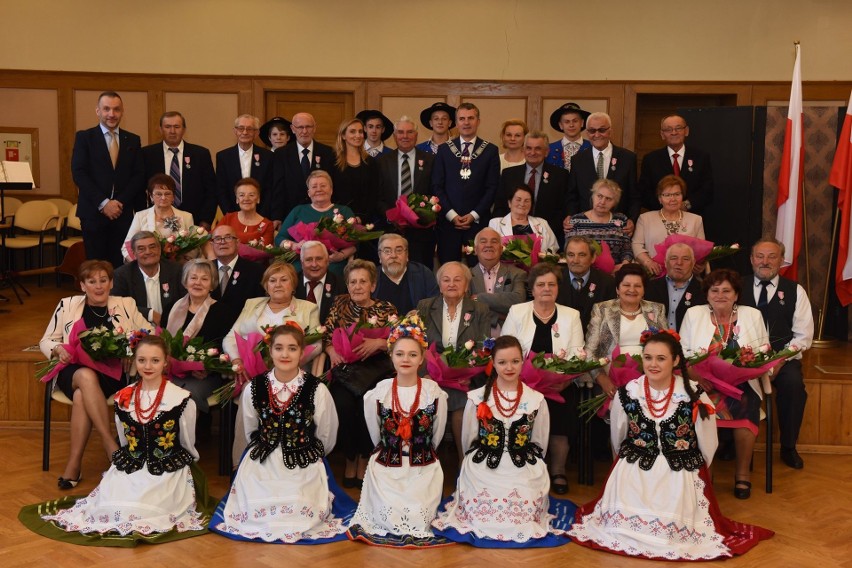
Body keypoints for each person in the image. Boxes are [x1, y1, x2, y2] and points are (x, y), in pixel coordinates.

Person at [569, 330, 773, 560]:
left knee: (673, 531)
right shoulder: (628, 393)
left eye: (661, 358)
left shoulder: (693, 394)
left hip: (679, 472)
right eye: (648, 358)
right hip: (635, 471)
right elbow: (618, 435)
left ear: (676, 360)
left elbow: (707, 441)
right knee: (620, 527)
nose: (653, 364)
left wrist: (696, 473)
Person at [22, 335, 213, 545]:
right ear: (134, 361)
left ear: (166, 362)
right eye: (142, 360)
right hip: (130, 468)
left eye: (155, 360)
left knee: (148, 511)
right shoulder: (123, 397)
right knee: (111, 508)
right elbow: (124, 440)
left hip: (167, 470)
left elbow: (187, 443)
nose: (148, 366)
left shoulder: (182, 399)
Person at [211, 324, 352, 543]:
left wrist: (312, 455)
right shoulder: (254, 387)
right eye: (279, 348)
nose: (285, 354)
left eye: (292, 348)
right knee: (256, 506)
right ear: (270, 351)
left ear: (302, 352)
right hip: (263, 460)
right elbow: (249, 429)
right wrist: (262, 451)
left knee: (299, 506)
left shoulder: (317, 389)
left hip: (302, 459)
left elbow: (327, 433)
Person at [432, 336, 572, 546]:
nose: (509, 367)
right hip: (483, 467)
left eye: (515, 361)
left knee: (522, 514)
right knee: (481, 514)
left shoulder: (536, 399)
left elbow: (540, 442)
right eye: (502, 362)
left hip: (523, 466)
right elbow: (469, 439)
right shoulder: (476, 398)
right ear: (493, 363)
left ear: (523, 362)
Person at [39, 260, 153, 489]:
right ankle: (110, 444)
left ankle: (74, 465)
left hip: (111, 374)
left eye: (103, 280)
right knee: (84, 376)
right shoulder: (67, 304)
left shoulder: (125, 304)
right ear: (83, 285)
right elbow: (46, 339)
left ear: (111, 283)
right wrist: (58, 348)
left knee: (83, 395)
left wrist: (131, 349)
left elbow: (147, 333)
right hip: (71, 371)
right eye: (92, 281)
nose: (98, 286)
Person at [347, 315, 449, 546]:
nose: (406, 359)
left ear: (422, 358)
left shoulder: (433, 393)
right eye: (400, 354)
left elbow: (438, 432)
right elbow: (376, 433)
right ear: (391, 356)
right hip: (386, 467)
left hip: (423, 468)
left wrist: (421, 451)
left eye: (413, 354)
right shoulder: (378, 393)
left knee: (419, 516)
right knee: (388, 516)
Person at [680, 269, 769, 499]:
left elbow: (762, 352)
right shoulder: (693, 314)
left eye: (726, 290)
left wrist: (744, 369)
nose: (720, 295)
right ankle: (703, 474)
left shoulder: (752, 315)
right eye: (715, 290)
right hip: (702, 384)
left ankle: (742, 476)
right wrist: (697, 376)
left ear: (736, 294)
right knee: (695, 410)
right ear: (707, 294)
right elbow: (682, 354)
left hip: (741, 384)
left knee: (747, 408)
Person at [502, 263, 585, 494]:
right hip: (523, 383)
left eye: (551, 284)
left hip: (560, 383)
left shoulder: (571, 315)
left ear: (558, 288)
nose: (546, 288)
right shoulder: (518, 312)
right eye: (541, 284)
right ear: (532, 289)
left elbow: (577, 352)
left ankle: (557, 470)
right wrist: (519, 379)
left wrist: (565, 380)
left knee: (563, 412)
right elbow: (507, 348)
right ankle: (523, 467)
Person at [739, 238, 813, 469]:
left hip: (783, 358)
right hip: (742, 358)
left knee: (793, 386)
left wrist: (779, 361)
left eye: (772, 256)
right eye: (760, 256)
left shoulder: (795, 291)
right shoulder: (736, 287)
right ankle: (732, 443)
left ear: (781, 260)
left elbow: (803, 336)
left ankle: (789, 447)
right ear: (751, 260)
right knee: (731, 385)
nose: (765, 261)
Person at [323, 260, 398, 487]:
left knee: (370, 403)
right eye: (353, 282)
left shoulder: (387, 309)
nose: (357, 286)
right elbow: (326, 335)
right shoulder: (339, 304)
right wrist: (332, 352)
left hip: (376, 370)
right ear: (347, 285)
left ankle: (365, 456)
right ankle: (350, 457)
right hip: (346, 369)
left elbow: (399, 339)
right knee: (343, 404)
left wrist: (379, 342)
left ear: (372, 285)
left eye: (362, 281)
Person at [416, 261, 490, 463]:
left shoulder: (480, 309)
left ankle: (463, 461)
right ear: (439, 285)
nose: (451, 284)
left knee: (460, 407)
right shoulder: (425, 306)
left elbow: (482, 347)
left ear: (466, 285)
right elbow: (419, 345)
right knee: (428, 400)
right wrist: (428, 373)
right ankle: (427, 460)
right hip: (430, 374)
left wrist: (464, 373)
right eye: (446, 280)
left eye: (457, 280)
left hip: (464, 377)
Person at [71, 91, 145, 267]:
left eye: (116, 109)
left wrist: (118, 202)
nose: (111, 114)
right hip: (93, 213)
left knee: (121, 266)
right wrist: (104, 203)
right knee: (96, 266)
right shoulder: (84, 137)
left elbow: (138, 175)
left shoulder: (133, 140)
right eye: (106, 109)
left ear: (122, 112)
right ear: (98, 111)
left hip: (123, 212)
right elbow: (79, 173)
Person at [224, 261, 321, 387]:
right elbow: (230, 337)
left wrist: (286, 362)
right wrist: (237, 360)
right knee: (249, 391)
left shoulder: (309, 308)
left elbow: (317, 345)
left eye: (284, 280)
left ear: (293, 285)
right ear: (266, 286)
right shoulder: (251, 304)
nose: (278, 285)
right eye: (272, 280)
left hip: (291, 373)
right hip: (249, 373)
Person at [162, 259, 234, 414]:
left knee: (185, 396)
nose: (198, 283)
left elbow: (225, 349)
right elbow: (160, 343)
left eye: (204, 279)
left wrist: (207, 369)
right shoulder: (171, 308)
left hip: (206, 375)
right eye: (193, 277)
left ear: (212, 284)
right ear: (185, 281)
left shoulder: (223, 312)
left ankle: (193, 437)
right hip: (170, 371)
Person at [432, 102, 501, 263]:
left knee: (479, 272)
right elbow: (437, 186)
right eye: (462, 119)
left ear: (478, 121)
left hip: (478, 223)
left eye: (471, 118)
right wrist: (452, 215)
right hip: (449, 224)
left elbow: (492, 188)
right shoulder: (444, 150)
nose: (466, 122)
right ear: (456, 123)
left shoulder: (490, 150)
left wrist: (473, 215)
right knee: (448, 271)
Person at [585, 264, 666, 398]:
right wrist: (601, 378)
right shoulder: (602, 309)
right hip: (611, 379)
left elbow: (666, 346)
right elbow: (589, 351)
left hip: (650, 377)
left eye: (638, 286)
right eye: (626, 285)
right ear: (617, 288)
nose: (632, 290)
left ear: (644, 290)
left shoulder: (656, 309)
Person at [377, 115, 436, 266]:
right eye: (401, 132)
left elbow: (435, 192)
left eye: (410, 132)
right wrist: (391, 216)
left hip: (421, 231)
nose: (405, 136)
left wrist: (423, 215)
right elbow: (378, 195)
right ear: (395, 136)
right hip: (391, 229)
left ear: (416, 135)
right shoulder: (382, 161)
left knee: (420, 272)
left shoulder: (430, 160)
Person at [142, 111, 218, 228]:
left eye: (177, 127)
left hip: (194, 222)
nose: (172, 131)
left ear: (184, 129)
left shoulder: (200, 154)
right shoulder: (147, 154)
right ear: (161, 129)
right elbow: (140, 189)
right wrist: (145, 219)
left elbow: (211, 191)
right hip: (156, 222)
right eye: (168, 127)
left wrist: (206, 221)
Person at [495, 131, 570, 248]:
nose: (532, 152)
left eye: (538, 149)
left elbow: (562, 209)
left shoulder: (561, 176)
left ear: (546, 152)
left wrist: (544, 232)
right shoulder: (508, 174)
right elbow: (500, 207)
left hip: (546, 238)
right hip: (510, 238)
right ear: (523, 150)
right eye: (528, 148)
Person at [275, 170, 357, 276]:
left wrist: (341, 256)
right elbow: (279, 238)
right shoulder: (298, 211)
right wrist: (295, 245)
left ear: (331, 190)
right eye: (314, 186)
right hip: (301, 264)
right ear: (309, 193)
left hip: (332, 264)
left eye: (323, 185)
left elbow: (356, 242)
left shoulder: (345, 211)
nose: (319, 189)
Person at [567, 111, 640, 222]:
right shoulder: (578, 160)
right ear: (587, 133)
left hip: (618, 225)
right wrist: (571, 218)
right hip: (586, 224)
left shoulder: (628, 158)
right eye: (592, 131)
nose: (597, 135)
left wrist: (632, 220)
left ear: (610, 131)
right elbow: (572, 196)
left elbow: (634, 195)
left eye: (602, 130)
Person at [638, 114, 714, 214]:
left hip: (693, 217)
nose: (674, 133)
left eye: (678, 128)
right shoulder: (651, 159)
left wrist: (686, 205)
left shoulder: (701, 157)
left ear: (686, 131)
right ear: (662, 134)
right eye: (668, 130)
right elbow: (644, 191)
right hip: (660, 216)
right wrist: (667, 206)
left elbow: (707, 190)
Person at [633, 175, 706, 276]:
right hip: (654, 274)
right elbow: (636, 245)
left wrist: (700, 265)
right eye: (667, 195)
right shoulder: (645, 218)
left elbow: (701, 250)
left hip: (685, 275)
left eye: (677, 194)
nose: (673, 199)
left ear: (683, 196)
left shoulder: (696, 219)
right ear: (660, 199)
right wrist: (648, 262)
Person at [113, 231, 185, 326]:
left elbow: (186, 300)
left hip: (173, 327)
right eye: (141, 249)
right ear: (134, 254)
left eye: (152, 247)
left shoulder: (176, 270)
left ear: (159, 249)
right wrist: (150, 314)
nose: (148, 252)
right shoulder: (122, 275)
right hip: (137, 330)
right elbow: (117, 305)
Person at [215, 114, 277, 219]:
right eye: (241, 128)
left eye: (249, 129)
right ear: (235, 131)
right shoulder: (223, 157)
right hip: (232, 215)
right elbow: (221, 190)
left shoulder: (268, 156)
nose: (244, 132)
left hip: (261, 215)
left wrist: (260, 216)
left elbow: (269, 189)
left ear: (256, 133)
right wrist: (232, 216)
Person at [121, 174, 195, 262]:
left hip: (177, 266)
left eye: (167, 194)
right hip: (147, 265)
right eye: (158, 194)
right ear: (151, 196)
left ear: (173, 196)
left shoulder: (187, 216)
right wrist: (139, 266)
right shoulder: (140, 216)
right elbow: (127, 247)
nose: (163, 198)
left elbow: (193, 248)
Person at [468, 227, 528, 334]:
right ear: (476, 250)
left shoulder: (517, 274)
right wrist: (500, 315)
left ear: (501, 249)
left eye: (494, 241)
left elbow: (518, 301)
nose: (489, 245)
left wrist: (479, 298)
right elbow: (466, 307)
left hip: (509, 332)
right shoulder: (465, 276)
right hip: (474, 332)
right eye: (483, 241)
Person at [565, 178, 633, 270]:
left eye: (608, 199)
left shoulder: (621, 219)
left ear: (615, 203)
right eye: (599, 196)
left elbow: (627, 250)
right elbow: (570, 251)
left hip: (615, 272)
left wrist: (623, 266)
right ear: (593, 196)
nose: (602, 202)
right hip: (584, 272)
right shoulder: (577, 220)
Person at [279, 112, 336, 219]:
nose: (304, 131)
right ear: (292, 129)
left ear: (314, 128)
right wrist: (277, 216)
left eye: (308, 127)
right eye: (300, 127)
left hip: (322, 216)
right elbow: (278, 188)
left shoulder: (328, 153)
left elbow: (333, 185)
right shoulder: (281, 154)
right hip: (291, 215)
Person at [556, 236, 616, 331]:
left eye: (582, 255)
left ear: (593, 258)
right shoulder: (554, 280)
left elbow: (608, 322)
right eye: (571, 255)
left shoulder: (607, 282)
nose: (575, 260)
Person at [330, 118, 382, 226]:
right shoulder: (332, 161)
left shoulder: (370, 162)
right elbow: (330, 192)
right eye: (352, 131)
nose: (357, 135)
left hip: (364, 222)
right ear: (343, 135)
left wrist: (362, 218)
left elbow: (374, 194)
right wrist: (339, 217)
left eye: (360, 131)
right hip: (337, 221)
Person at [208, 224, 266, 322]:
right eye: (217, 239)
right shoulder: (205, 269)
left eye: (228, 237)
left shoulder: (256, 271)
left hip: (243, 329)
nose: (222, 242)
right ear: (212, 245)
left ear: (238, 243)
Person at [645, 242, 707, 331]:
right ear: (665, 262)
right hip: (657, 341)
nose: (679, 262)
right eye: (673, 258)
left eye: (685, 259)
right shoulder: (650, 287)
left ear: (693, 263)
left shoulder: (704, 289)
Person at [374, 233, 439, 315]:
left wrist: (421, 313)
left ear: (407, 255)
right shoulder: (371, 276)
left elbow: (436, 303)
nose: (393, 255)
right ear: (379, 256)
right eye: (387, 251)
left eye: (399, 250)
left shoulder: (423, 273)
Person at [488, 185, 559, 253]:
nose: (522, 204)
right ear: (509, 203)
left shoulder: (543, 223)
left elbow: (553, 249)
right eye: (518, 200)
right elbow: (491, 249)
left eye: (527, 201)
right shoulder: (495, 223)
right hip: (504, 265)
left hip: (538, 265)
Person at [295, 240, 347, 324]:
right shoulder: (291, 283)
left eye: (319, 259)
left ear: (327, 261)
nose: (314, 264)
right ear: (302, 263)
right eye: (309, 259)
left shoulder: (341, 285)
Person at [216, 177, 275, 245]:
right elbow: (211, 239)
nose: (246, 198)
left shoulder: (267, 225)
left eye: (251, 195)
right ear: (237, 199)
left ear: (258, 199)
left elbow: (264, 251)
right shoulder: (227, 219)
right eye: (241, 195)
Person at [545, 102, 591, 172]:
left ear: (582, 123)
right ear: (561, 125)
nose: (571, 125)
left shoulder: (592, 147)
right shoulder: (549, 149)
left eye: (575, 121)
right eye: (567, 122)